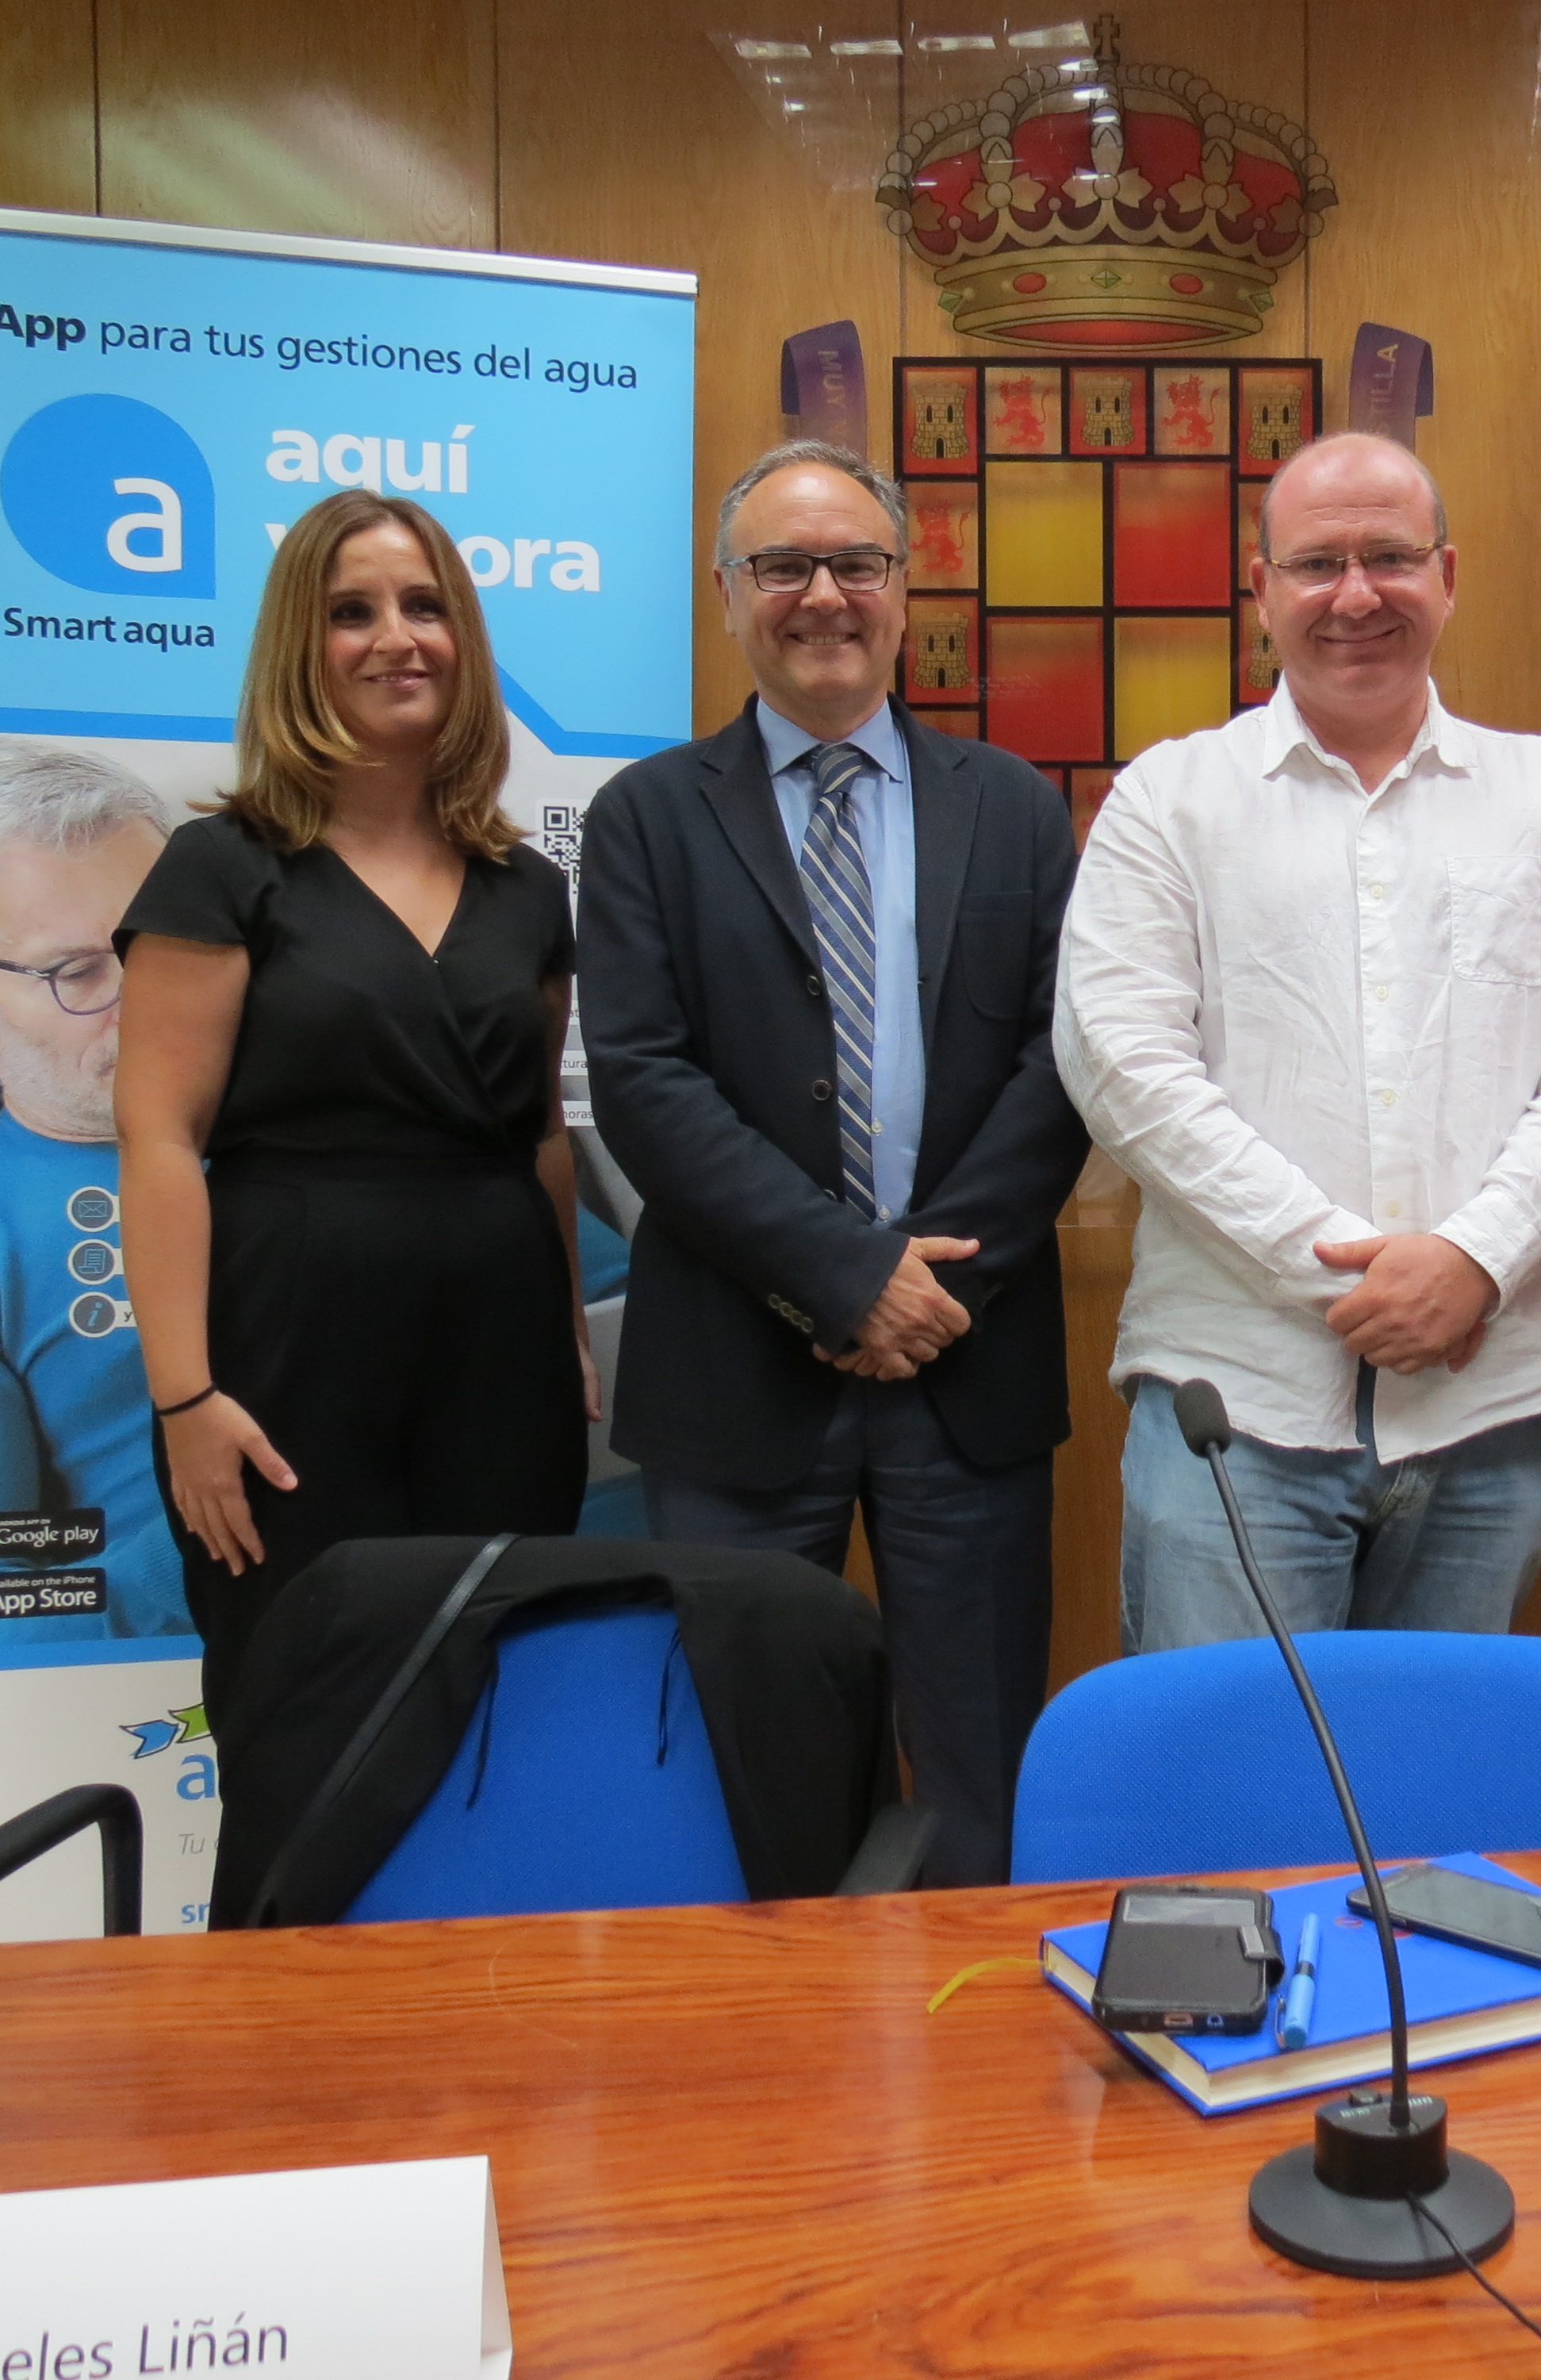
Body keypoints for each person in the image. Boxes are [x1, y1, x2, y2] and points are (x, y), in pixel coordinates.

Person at [1056, 432, 1541, 1656]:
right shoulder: (1168, 801)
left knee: (1434, 1767)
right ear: (1263, 587)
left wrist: (1476, 1262)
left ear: (1448, 574)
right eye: (1317, 563)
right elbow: (1123, 1064)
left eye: (1389, 556)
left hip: (1490, 1398)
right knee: (1237, 1767)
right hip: (1237, 1406)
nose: (1355, 595)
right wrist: (1366, 1286)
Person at [575, 440, 1090, 1889]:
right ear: (727, 594)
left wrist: (931, 1288)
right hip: (737, 1375)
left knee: (983, 1772)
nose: (823, 595)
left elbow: (1066, 1061)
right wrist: (848, 1276)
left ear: (904, 586)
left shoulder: (1013, 804)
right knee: (746, 1768)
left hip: (966, 1366)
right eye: (783, 566)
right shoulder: (646, 818)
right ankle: (772, 2033)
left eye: (857, 563)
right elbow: (646, 1085)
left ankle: (978, 2020)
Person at [116, 489, 594, 1724]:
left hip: (503, 1349)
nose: (397, 638)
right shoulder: (223, 867)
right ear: (301, 645)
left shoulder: (527, 886)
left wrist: (567, 1335)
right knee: (304, 1699)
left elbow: (541, 1133)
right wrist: (183, 1400)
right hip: (287, 1346)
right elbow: (158, 1138)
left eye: (425, 606)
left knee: (498, 1694)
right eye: (352, 613)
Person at [0, 739, 182, 1646]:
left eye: (165, 944)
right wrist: (224, 1548)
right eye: (77, 972)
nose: (150, 1001)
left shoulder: (348, 1117)